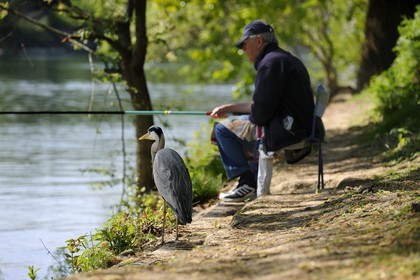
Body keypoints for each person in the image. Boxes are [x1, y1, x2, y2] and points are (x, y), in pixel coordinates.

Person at [210, 20, 315, 202]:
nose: (243, 50)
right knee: (234, 123)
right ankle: (249, 181)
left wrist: (239, 118)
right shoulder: (281, 58)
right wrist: (229, 109)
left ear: (258, 40)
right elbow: (262, 104)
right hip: (297, 125)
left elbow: (259, 115)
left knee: (221, 130)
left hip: (285, 131)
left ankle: (247, 181)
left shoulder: (270, 64)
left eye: (245, 44)